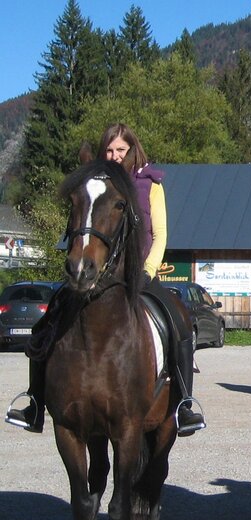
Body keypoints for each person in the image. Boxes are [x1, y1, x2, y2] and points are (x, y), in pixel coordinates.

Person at [6, 123, 205, 436]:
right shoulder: (95, 183)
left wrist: (148, 270)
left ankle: (184, 404)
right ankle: (35, 401)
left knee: (177, 319)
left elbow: (160, 233)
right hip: (98, 273)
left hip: (138, 272)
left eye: (120, 150)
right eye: (109, 150)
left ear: (131, 151)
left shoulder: (149, 183)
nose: (114, 156)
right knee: (47, 321)